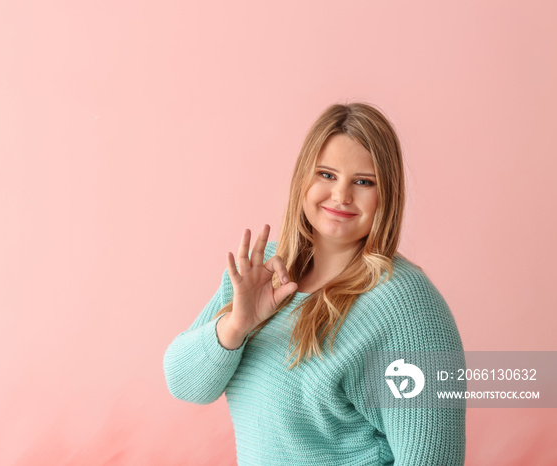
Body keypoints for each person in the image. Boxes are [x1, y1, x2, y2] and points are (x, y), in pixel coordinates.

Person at [163, 102, 465, 465]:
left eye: (364, 181)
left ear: (387, 193)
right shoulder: (262, 275)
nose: (341, 196)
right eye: (326, 175)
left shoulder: (409, 306)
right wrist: (237, 324)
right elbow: (185, 385)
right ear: (302, 179)